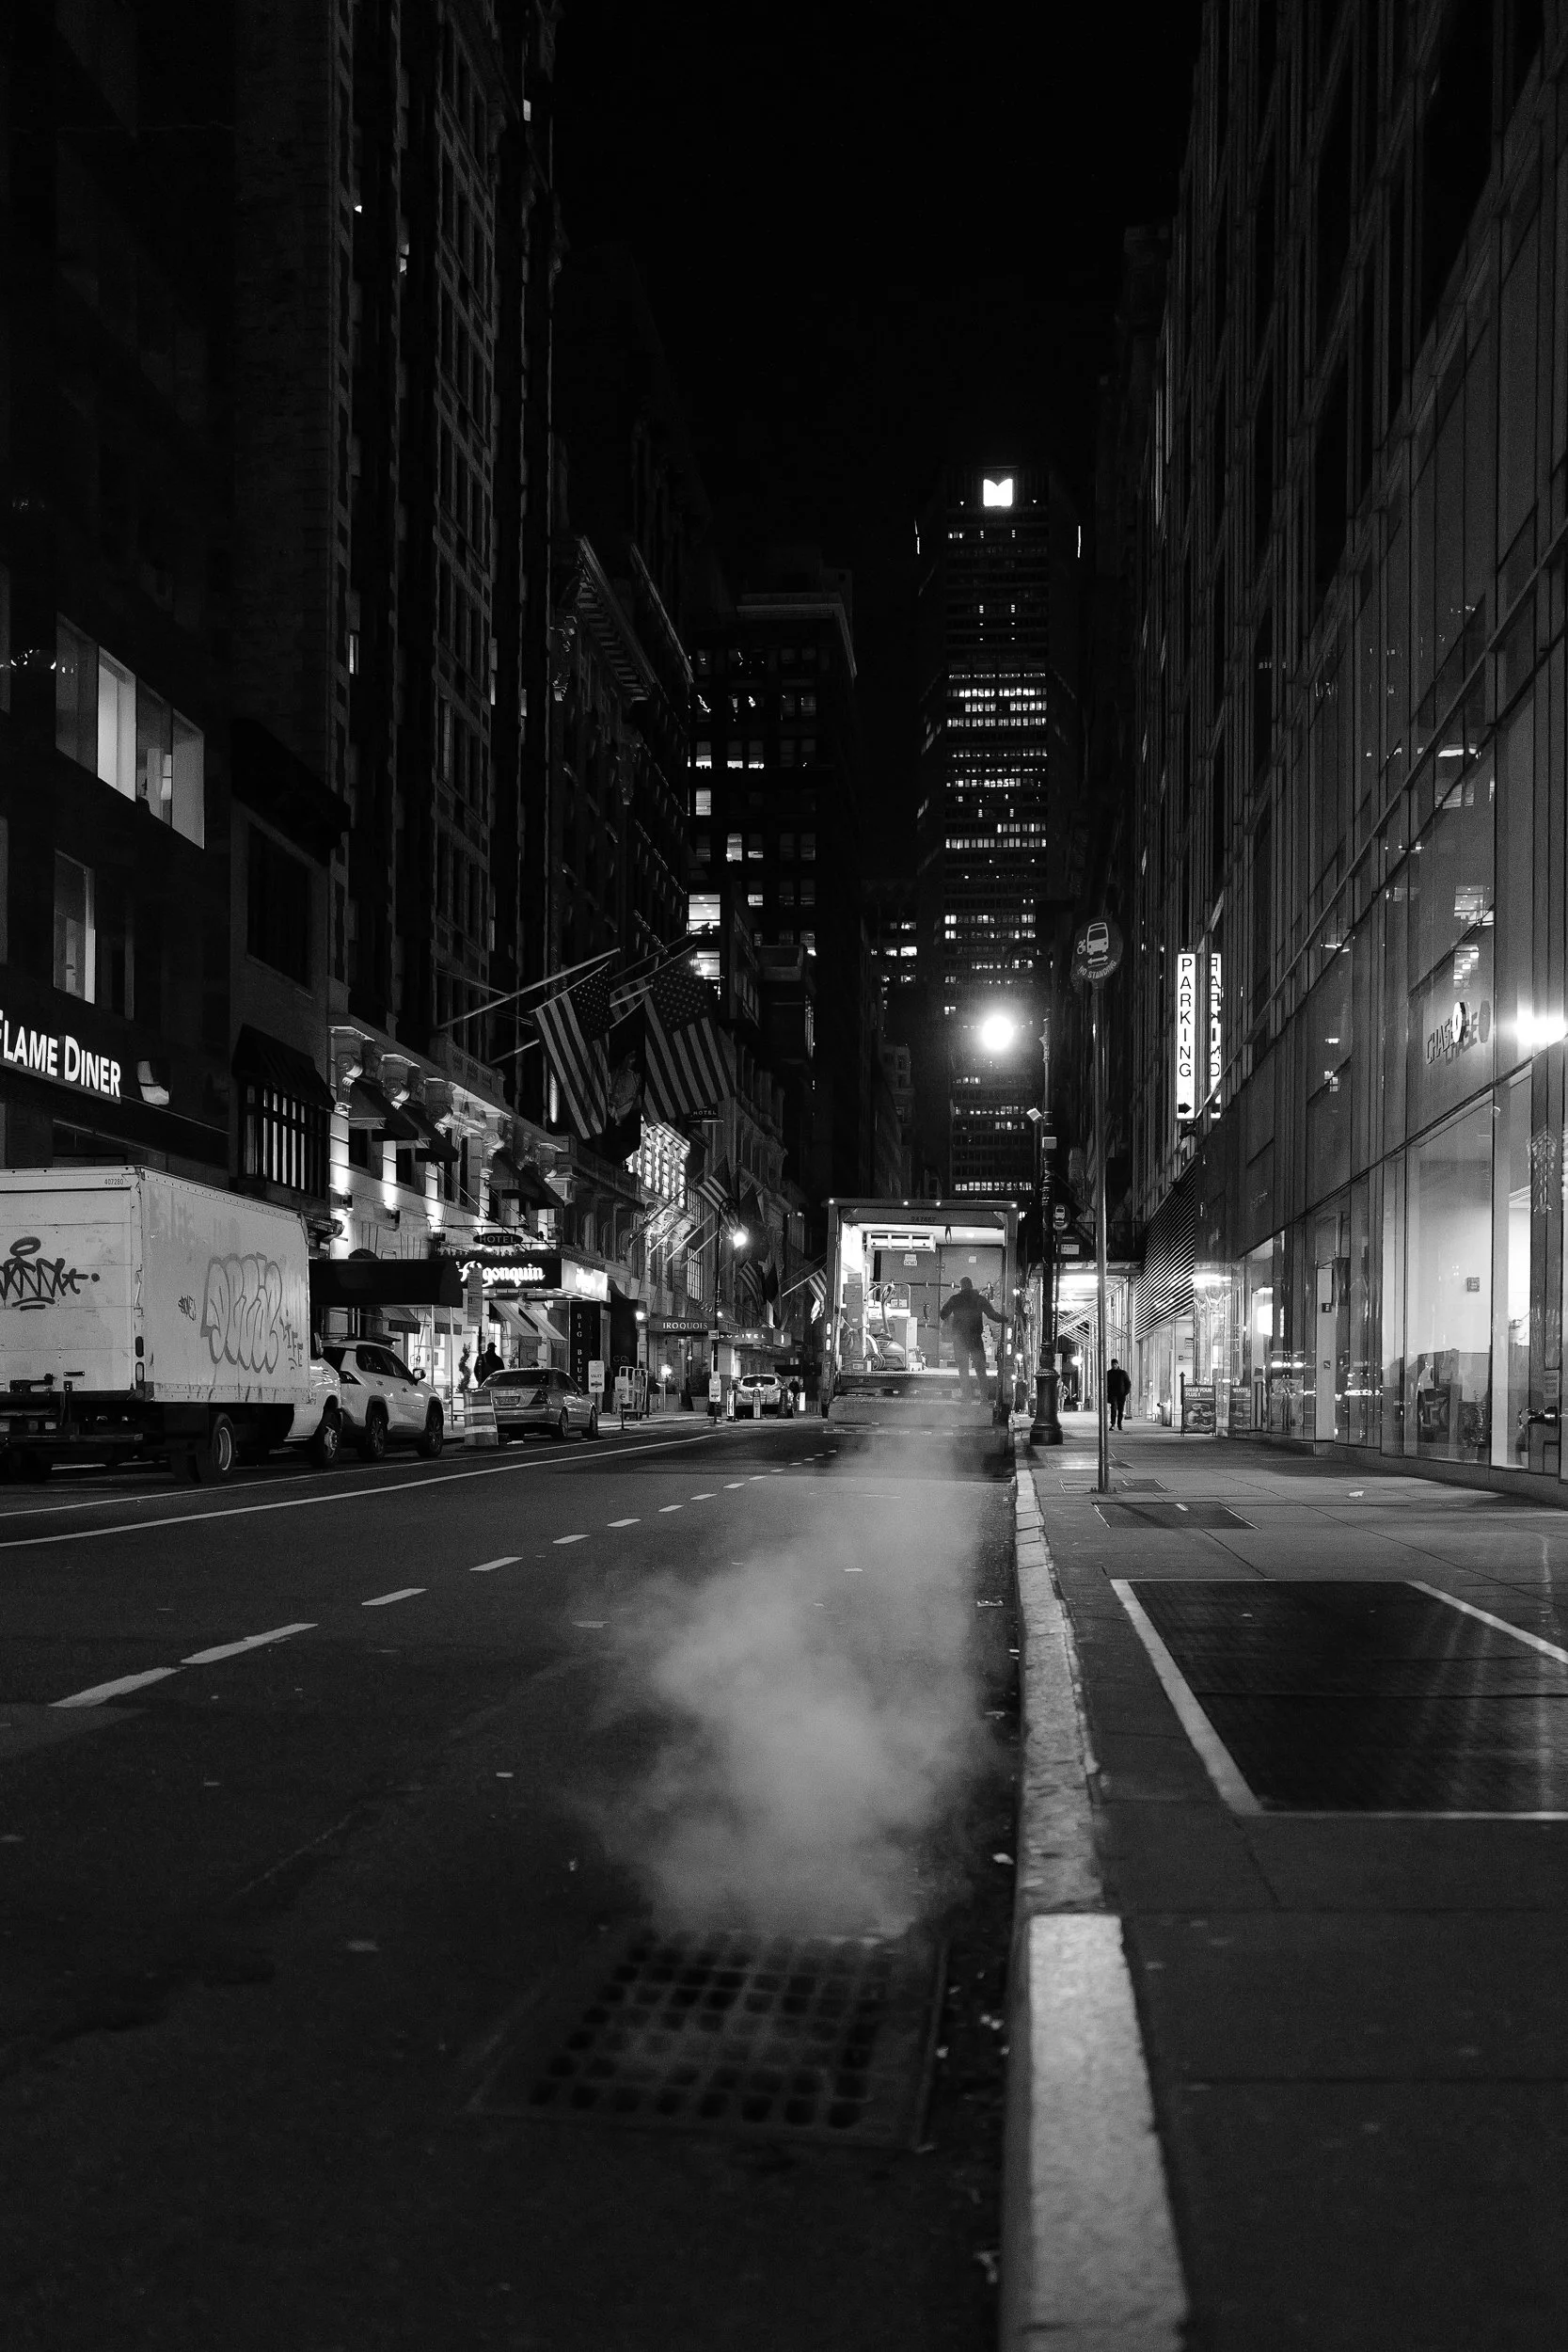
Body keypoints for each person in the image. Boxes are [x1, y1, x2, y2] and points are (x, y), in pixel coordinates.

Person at [939, 1276, 1007, 1404]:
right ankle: (984, 1397)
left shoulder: (955, 1299)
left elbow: (943, 1314)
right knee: (980, 1369)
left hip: (960, 1339)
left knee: (963, 1369)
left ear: (961, 1286)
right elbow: (992, 1315)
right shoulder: (979, 1299)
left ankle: (966, 1396)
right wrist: (1006, 1319)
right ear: (971, 1286)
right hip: (975, 1338)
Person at [1106, 1358, 1132, 1429]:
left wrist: (1126, 1392)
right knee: (1113, 1408)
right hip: (1112, 1394)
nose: (1114, 1366)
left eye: (1115, 1364)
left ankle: (1119, 1424)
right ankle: (1113, 1424)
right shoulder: (1109, 1373)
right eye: (1113, 1364)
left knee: (1120, 1410)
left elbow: (1128, 1383)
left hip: (1121, 1394)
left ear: (1118, 1364)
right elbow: (1106, 1384)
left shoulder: (1123, 1373)